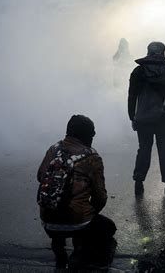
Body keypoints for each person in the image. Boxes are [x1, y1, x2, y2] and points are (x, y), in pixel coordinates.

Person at [37, 115, 116, 269]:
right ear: (86, 134)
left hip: (48, 219)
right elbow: (100, 197)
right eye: (92, 133)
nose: (93, 137)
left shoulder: (53, 150)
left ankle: (60, 258)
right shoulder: (92, 157)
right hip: (77, 221)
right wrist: (89, 213)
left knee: (59, 223)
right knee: (108, 228)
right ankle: (84, 257)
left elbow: (40, 176)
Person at [128, 41, 165, 195]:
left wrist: (132, 116)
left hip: (143, 118)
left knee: (144, 149)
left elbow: (132, 96)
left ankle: (139, 182)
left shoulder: (138, 71)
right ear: (163, 52)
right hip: (164, 119)